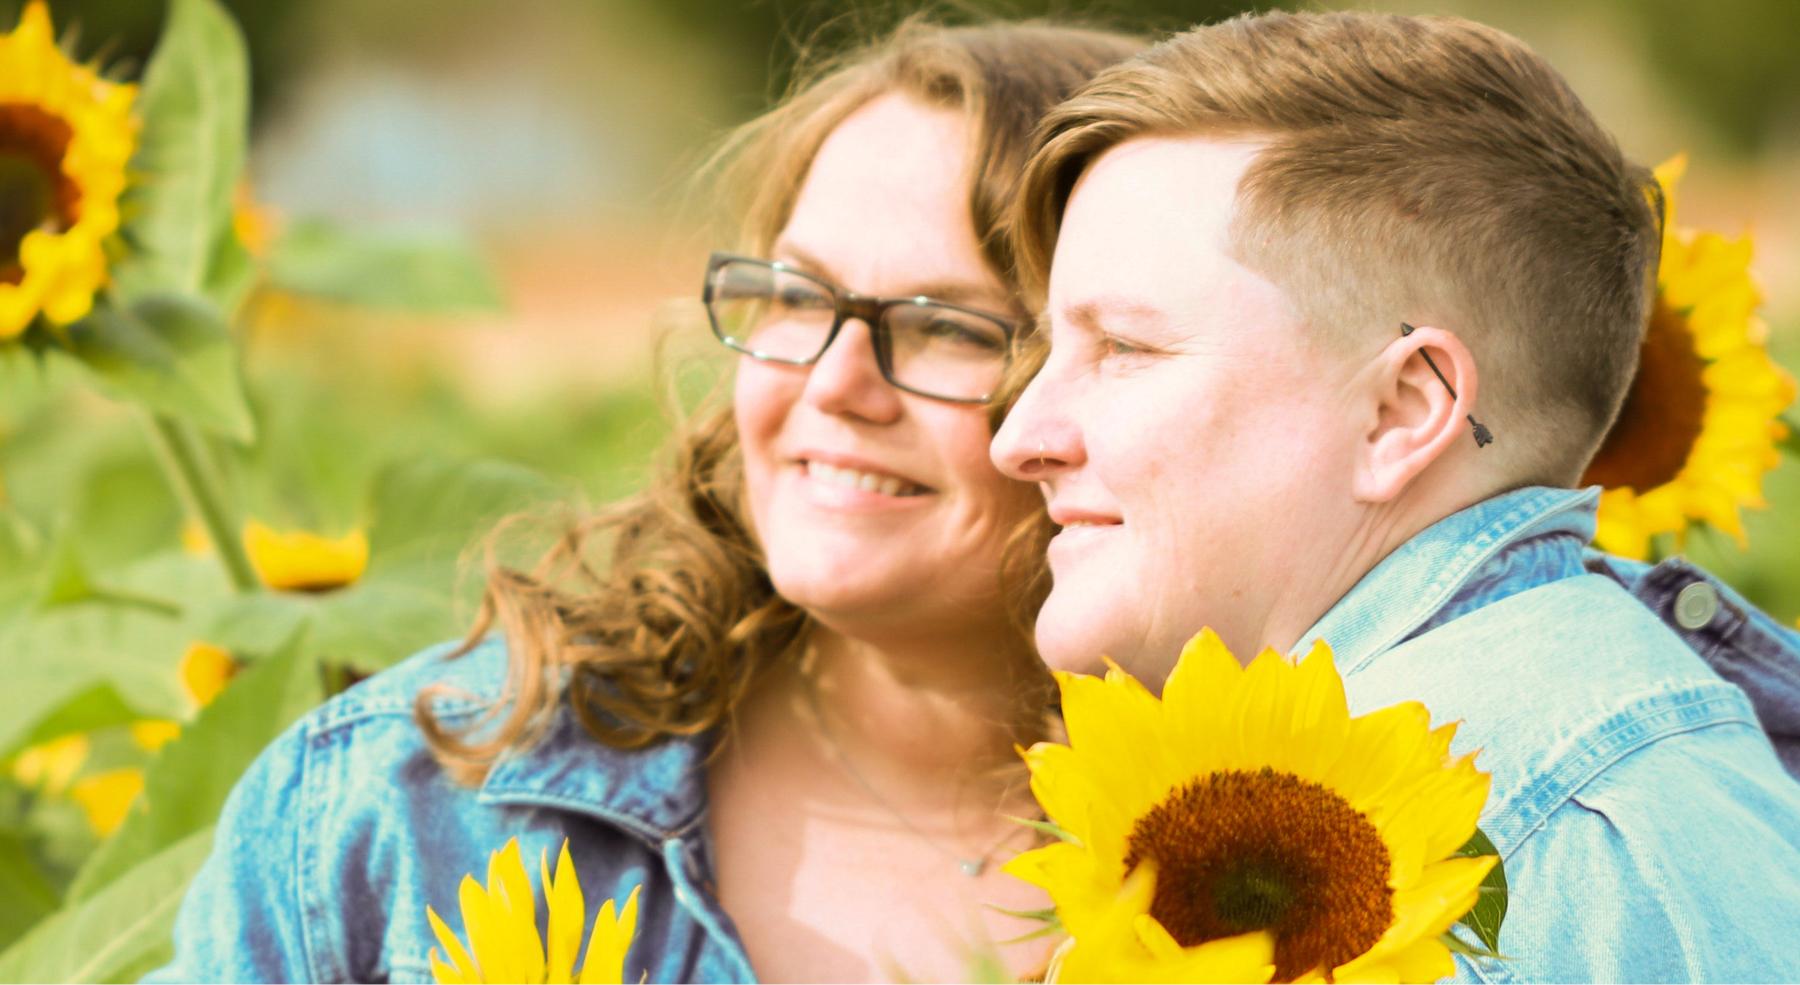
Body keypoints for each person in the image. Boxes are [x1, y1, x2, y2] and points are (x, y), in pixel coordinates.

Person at [145, 20, 1142, 984]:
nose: (835, 380)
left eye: (949, 326)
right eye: (799, 296)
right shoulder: (407, 806)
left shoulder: (1224, 862)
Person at [990, 10, 1800, 981]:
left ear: (1402, 412)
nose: (1017, 439)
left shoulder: (1481, 876)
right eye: (1048, 348)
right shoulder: (1632, 766)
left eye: (1124, 347)